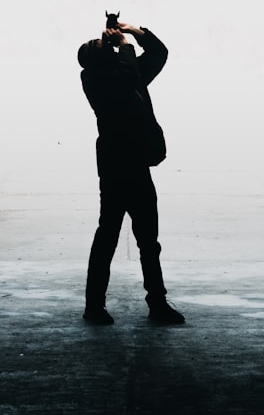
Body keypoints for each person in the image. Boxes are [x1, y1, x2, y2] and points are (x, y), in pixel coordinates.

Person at [76, 18, 185, 325]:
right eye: (100, 45)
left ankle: (157, 302)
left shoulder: (127, 73)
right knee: (108, 237)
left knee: (148, 240)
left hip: (134, 166)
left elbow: (159, 53)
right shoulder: (96, 80)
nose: (106, 43)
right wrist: (123, 47)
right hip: (116, 168)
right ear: (97, 59)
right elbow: (124, 77)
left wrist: (131, 31)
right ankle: (94, 306)